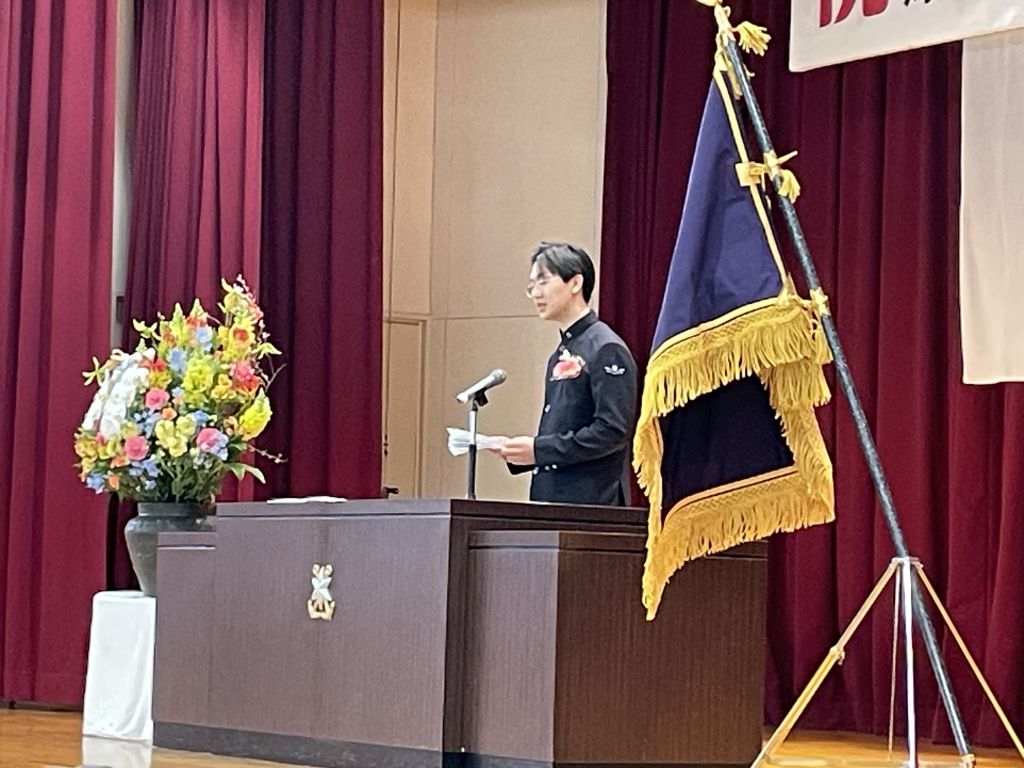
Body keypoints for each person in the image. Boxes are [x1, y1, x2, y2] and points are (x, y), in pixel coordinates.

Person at [492, 242, 638, 506]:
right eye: (531, 286)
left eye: (543, 281)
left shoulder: (606, 348)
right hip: (552, 501)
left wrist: (539, 450)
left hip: (591, 505)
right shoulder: (562, 351)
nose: (536, 293)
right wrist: (522, 453)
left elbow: (612, 431)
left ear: (575, 283)